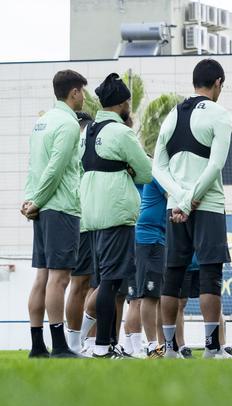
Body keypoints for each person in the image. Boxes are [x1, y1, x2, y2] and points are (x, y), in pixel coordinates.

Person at [152, 58, 232, 359]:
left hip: (175, 207)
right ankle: (213, 349)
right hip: (208, 205)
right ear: (218, 83)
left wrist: (179, 197)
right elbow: (216, 164)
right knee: (210, 274)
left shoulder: (171, 115)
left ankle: (170, 349)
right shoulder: (220, 114)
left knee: (172, 276)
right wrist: (190, 198)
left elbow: (157, 167)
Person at [79, 73, 153, 358]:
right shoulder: (121, 132)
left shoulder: (88, 130)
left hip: (91, 212)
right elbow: (145, 172)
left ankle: (103, 343)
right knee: (111, 282)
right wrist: (128, 168)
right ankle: (102, 346)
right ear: (123, 104)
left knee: (103, 281)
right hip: (116, 211)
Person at [22, 69, 88, 358]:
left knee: (42, 276)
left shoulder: (42, 122)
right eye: (82, 92)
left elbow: (34, 166)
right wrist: (37, 200)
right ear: (74, 92)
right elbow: (56, 168)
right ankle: (60, 345)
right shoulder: (69, 124)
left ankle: (38, 346)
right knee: (59, 278)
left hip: (41, 208)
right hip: (59, 207)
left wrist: (30, 201)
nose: (84, 97)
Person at [124, 174, 166, 358]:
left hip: (151, 238)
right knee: (138, 298)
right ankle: (141, 347)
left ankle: (137, 347)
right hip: (143, 240)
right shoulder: (152, 172)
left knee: (146, 297)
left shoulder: (143, 173)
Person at [65, 110, 94, 355]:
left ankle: (79, 342)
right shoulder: (77, 145)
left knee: (85, 284)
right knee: (79, 283)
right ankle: (73, 343)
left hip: (87, 222)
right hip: (81, 222)